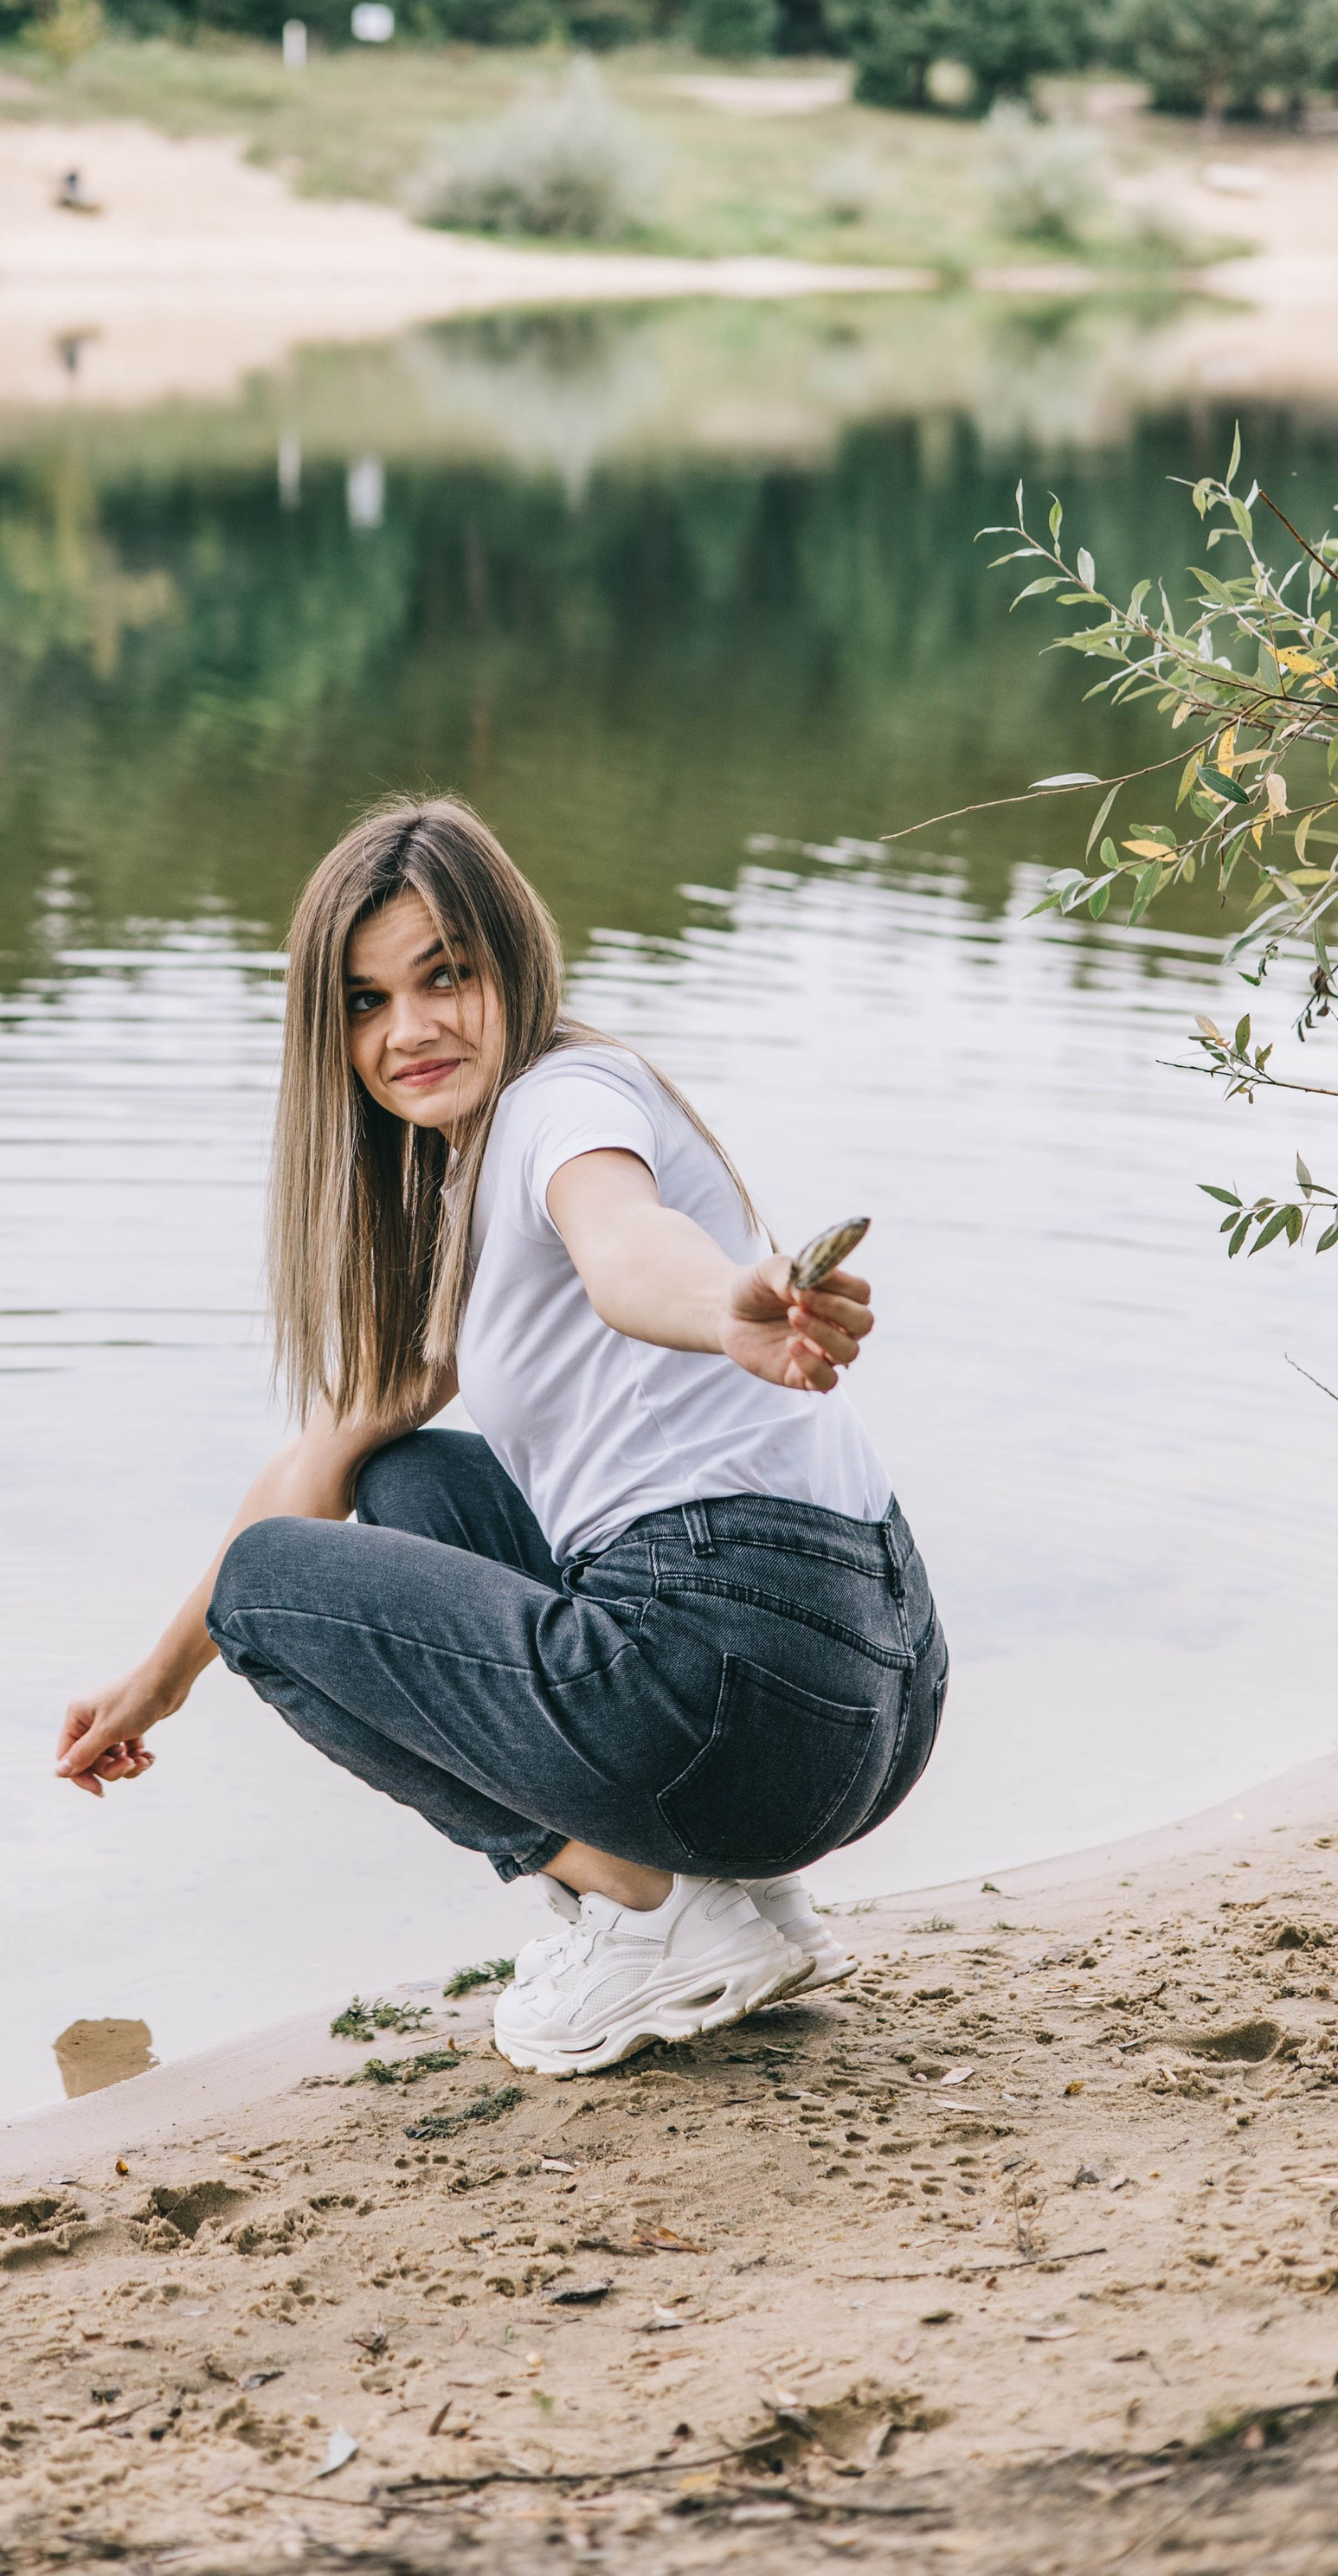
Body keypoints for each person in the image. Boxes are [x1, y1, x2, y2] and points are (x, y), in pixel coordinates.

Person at [55, 797, 947, 2076]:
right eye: (365, 1002)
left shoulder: (560, 1103)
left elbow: (627, 1245)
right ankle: (735, 1904)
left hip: (744, 1703)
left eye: (444, 976)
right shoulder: (475, 1194)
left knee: (269, 1585)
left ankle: (649, 1906)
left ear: (511, 964)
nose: (407, 1030)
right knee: (404, 1474)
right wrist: (157, 1682)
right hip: (871, 1696)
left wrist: (725, 1307)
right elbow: (319, 1459)